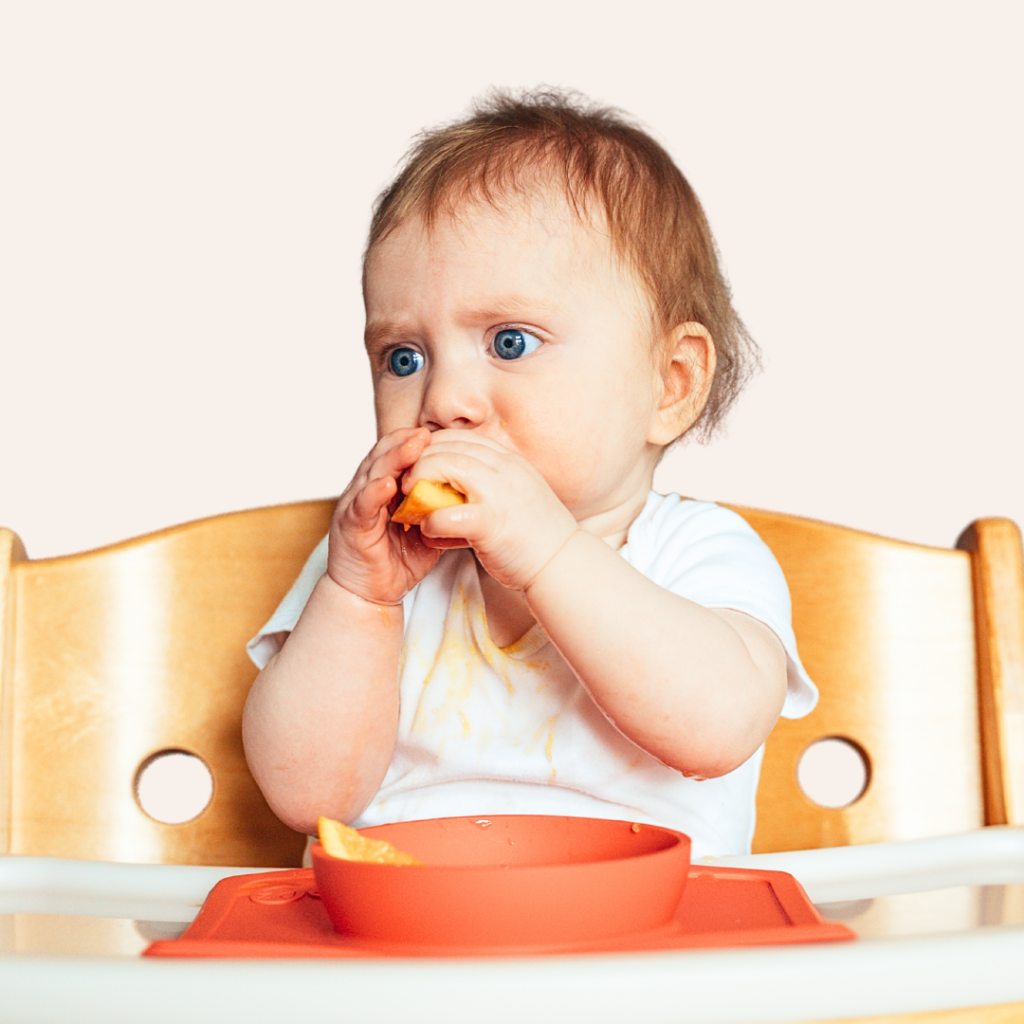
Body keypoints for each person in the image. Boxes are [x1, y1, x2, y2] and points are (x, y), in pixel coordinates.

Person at [242, 88, 816, 859]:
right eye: (403, 358)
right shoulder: (373, 567)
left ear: (671, 383)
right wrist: (355, 595)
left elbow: (717, 728)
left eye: (510, 342)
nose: (443, 399)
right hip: (407, 942)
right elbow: (308, 796)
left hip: (645, 947)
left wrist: (546, 552)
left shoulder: (698, 552)